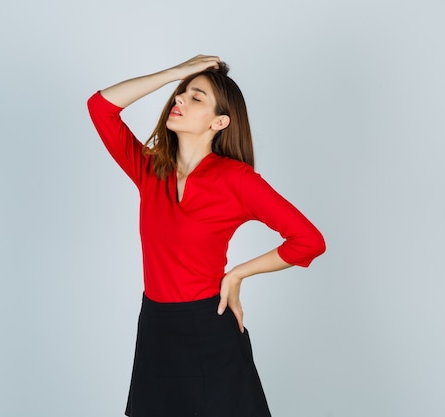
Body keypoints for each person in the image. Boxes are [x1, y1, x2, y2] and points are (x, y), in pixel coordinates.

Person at [87, 55, 326, 417]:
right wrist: (176, 73)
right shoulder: (150, 169)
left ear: (219, 122)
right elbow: (100, 107)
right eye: (181, 93)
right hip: (155, 330)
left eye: (195, 97)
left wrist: (237, 273)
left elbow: (308, 240)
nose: (180, 98)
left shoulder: (236, 180)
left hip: (209, 330)